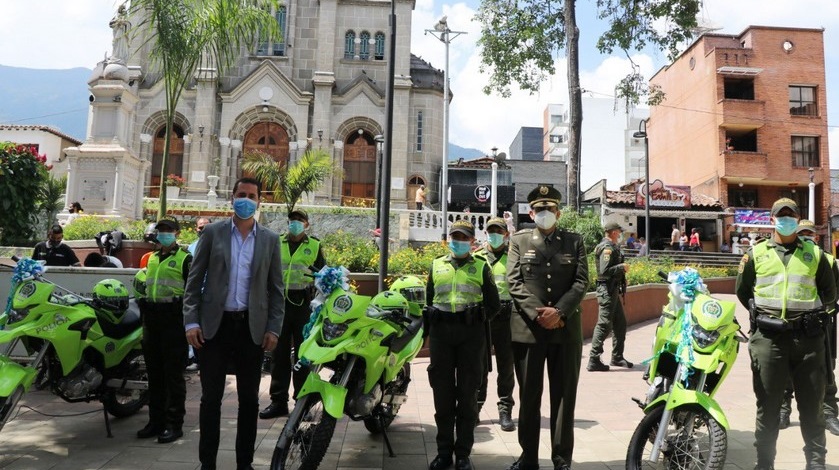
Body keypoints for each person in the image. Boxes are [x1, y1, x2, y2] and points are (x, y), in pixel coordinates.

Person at [183, 177, 284, 470]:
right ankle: (207, 463)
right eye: (241, 194)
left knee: (249, 402)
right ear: (232, 197)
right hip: (215, 327)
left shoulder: (270, 240)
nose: (246, 200)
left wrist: (274, 327)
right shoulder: (212, 233)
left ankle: (245, 463)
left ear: (259, 202)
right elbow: (194, 281)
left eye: (252, 196)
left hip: (251, 330)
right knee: (210, 399)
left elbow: (276, 289)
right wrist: (191, 322)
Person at [735, 198, 836, 470]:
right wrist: (763, 315)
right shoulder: (756, 255)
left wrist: (815, 317)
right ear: (772, 220)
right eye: (782, 215)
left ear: (798, 218)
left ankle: (816, 464)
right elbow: (743, 292)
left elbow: (830, 293)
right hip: (769, 340)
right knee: (767, 408)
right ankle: (764, 463)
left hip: (808, 341)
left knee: (812, 408)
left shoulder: (814, 255)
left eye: (792, 215)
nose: (787, 220)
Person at [506, 185, 589, 470]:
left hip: (565, 331)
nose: (544, 214)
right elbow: (514, 281)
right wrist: (540, 314)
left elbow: (581, 281)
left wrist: (559, 312)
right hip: (529, 331)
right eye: (539, 210)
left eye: (550, 209)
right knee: (529, 397)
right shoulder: (519, 241)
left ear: (559, 213)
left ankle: (561, 458)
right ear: (530, 213)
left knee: (564, 397)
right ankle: (528, 458)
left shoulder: (574, 241)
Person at [426, 219, 500, 470]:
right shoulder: (436, 264)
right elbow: (429, 299)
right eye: (454, 237)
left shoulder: (481, 266)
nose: (458, 242)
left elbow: (493, 304)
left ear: (471, 241)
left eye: (463, 238)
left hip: (470, 335)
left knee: (468, 396)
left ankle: (464, 454)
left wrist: (477, 318)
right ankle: (444, 452)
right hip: (441, 334)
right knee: (443, 396)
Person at [261, 209, 326, 419]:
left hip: (303, 305)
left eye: (300, 220)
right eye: (292, 220)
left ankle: (302, 403)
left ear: (306, 224)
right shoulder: (276, 242)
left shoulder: (314, 245)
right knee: (278, 354)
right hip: (279, 304)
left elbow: (323, 276)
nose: (295, 223)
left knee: (303, 356)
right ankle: (278, 401)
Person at [777, 219, 839, 436]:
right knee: (785, 368)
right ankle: (783, 411)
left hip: (821, 324)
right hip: (791, 324)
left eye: (809, 234)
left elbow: (834, 292)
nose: (805, 237)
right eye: (801, 233)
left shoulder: (828, 260)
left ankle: (829, 413)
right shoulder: (786, 259)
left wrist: (823, 313)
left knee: (825, 371)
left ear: (816, 237)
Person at [134, 216, 191, 444]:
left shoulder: (186, 259)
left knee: (173, 376)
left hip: (174, 321)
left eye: (168, 230)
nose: (164, 234)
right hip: (152, 320)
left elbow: (193, 292)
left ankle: (174, 424)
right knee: (155, 375)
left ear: (177, 233)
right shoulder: (152, 259)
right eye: (161, 230)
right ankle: (155, 421)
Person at [475, 217, 517, 432]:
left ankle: (505, 409)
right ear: (485, 233)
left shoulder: (513, 257)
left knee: (505, 365)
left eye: (498, 231)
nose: (494, 234)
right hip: (482, 317)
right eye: (491, 231)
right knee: (479, 365)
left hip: (506, 316)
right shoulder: (477, 257)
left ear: (506, 234)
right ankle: (476, 407)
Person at [588, 222, 633, 372]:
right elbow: (604, 271)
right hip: (606, 290)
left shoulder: (612, 246)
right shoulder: (607, 248)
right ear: (613, 232)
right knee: (604, 324)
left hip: (612, 289)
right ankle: (594, 359)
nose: (620, 234)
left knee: (620, 324)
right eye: (619, 231)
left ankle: (617, 357)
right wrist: (621, 267)